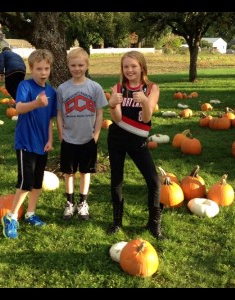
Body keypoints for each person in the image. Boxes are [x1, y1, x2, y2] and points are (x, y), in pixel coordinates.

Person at [107, 50, 165, 240]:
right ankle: (117, 221)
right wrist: (112, 105)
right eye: (126, 66)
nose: (130, 70)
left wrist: (145, 102)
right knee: (117, 180)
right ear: (122, 69)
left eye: (134, 66)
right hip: (116, 139)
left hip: (138, 141)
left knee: (154, 181)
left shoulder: (152, 88)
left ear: (142, 67)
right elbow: (116, 119)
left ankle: (154, 224)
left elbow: (147, 118)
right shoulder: (118, 88)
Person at [1, 49, 57, 239]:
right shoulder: (24, 86)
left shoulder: (51, 92)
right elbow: (18, 108)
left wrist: (50, 139)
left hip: (42, 143)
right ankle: (11, 217)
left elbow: (49, 119)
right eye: (39, 69)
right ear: (31, 69)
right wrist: (36, 103)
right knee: (26, 183)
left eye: (46, 68)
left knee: (37, 182)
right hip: (25, 142)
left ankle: (30, 213)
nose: (43, 72)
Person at [56, 47, 108, 221]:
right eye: (73, 65)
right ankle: (69, 204)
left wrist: (96, 135)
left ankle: (83, 203)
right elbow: (59, 113)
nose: (77, 68)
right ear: (68, 66)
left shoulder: (95, 87)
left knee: (86, 172)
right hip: (69, 139)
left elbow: (100, 113)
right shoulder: (63, 89)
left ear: (87, 65)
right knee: (68, 173)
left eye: (80, 65)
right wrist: (61, 134)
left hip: (88, 139)